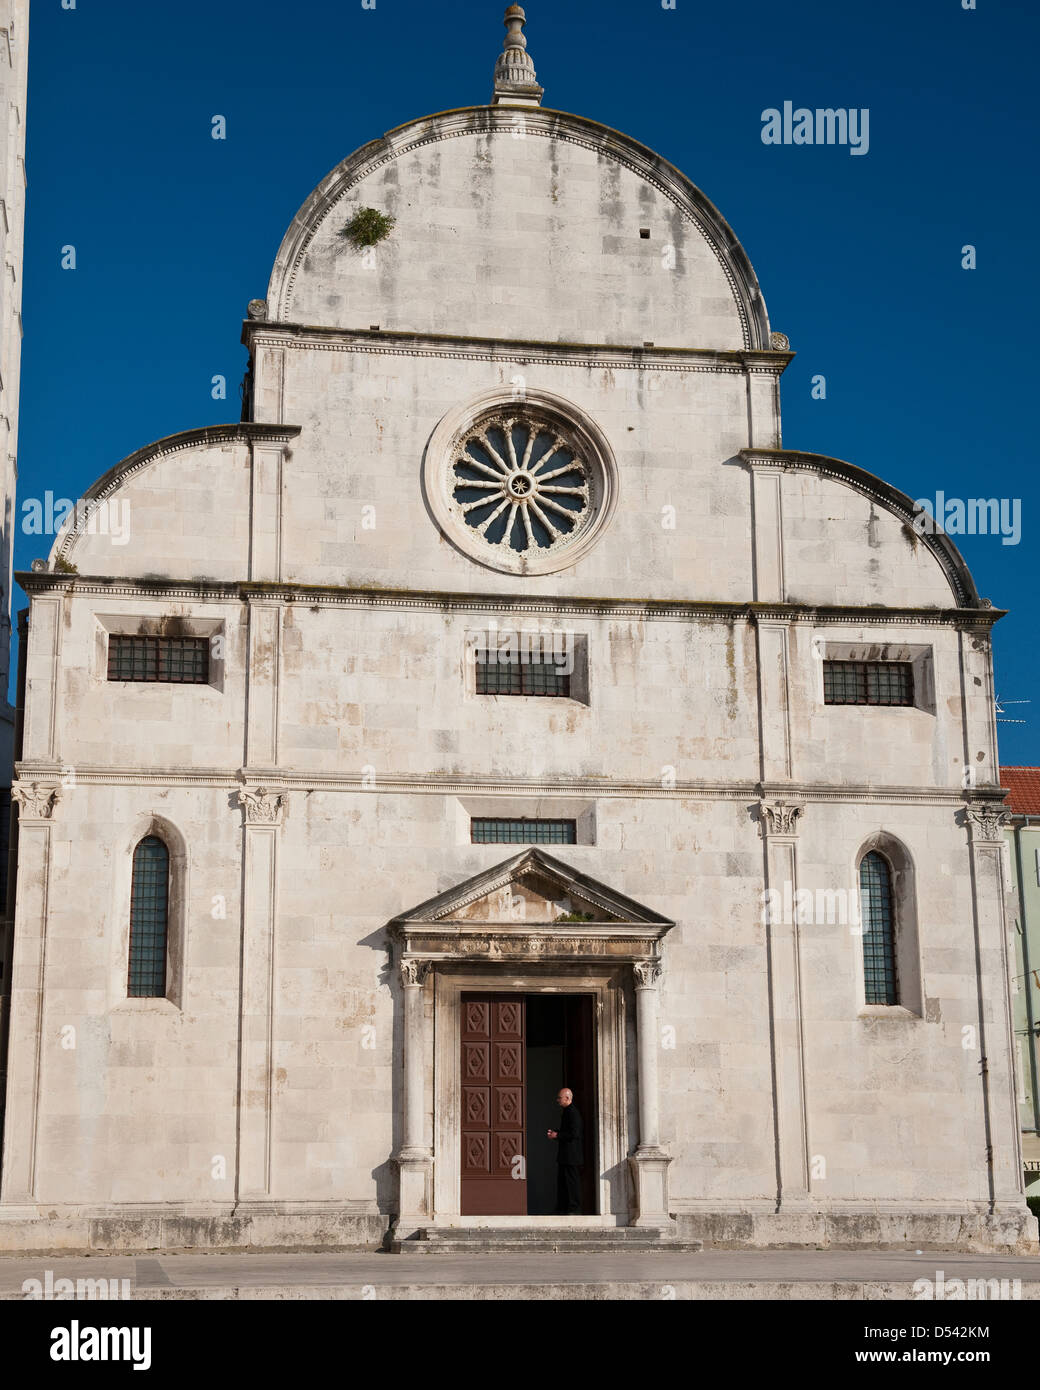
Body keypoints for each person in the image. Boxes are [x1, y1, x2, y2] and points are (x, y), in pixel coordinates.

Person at [546, 1086, 583, 1215]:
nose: (558, 1100)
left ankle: (574, 1208)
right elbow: (568, 1132)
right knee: (562, 1182)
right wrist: (556, 1133)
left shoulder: (572, 1112)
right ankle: (562, 1208)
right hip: (565, 1156)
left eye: (559, 1098)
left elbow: (574, 1133)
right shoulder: (567, 1112)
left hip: (571, 1156)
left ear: (567, 1098)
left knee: (571, 1183)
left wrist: (558, 1135)